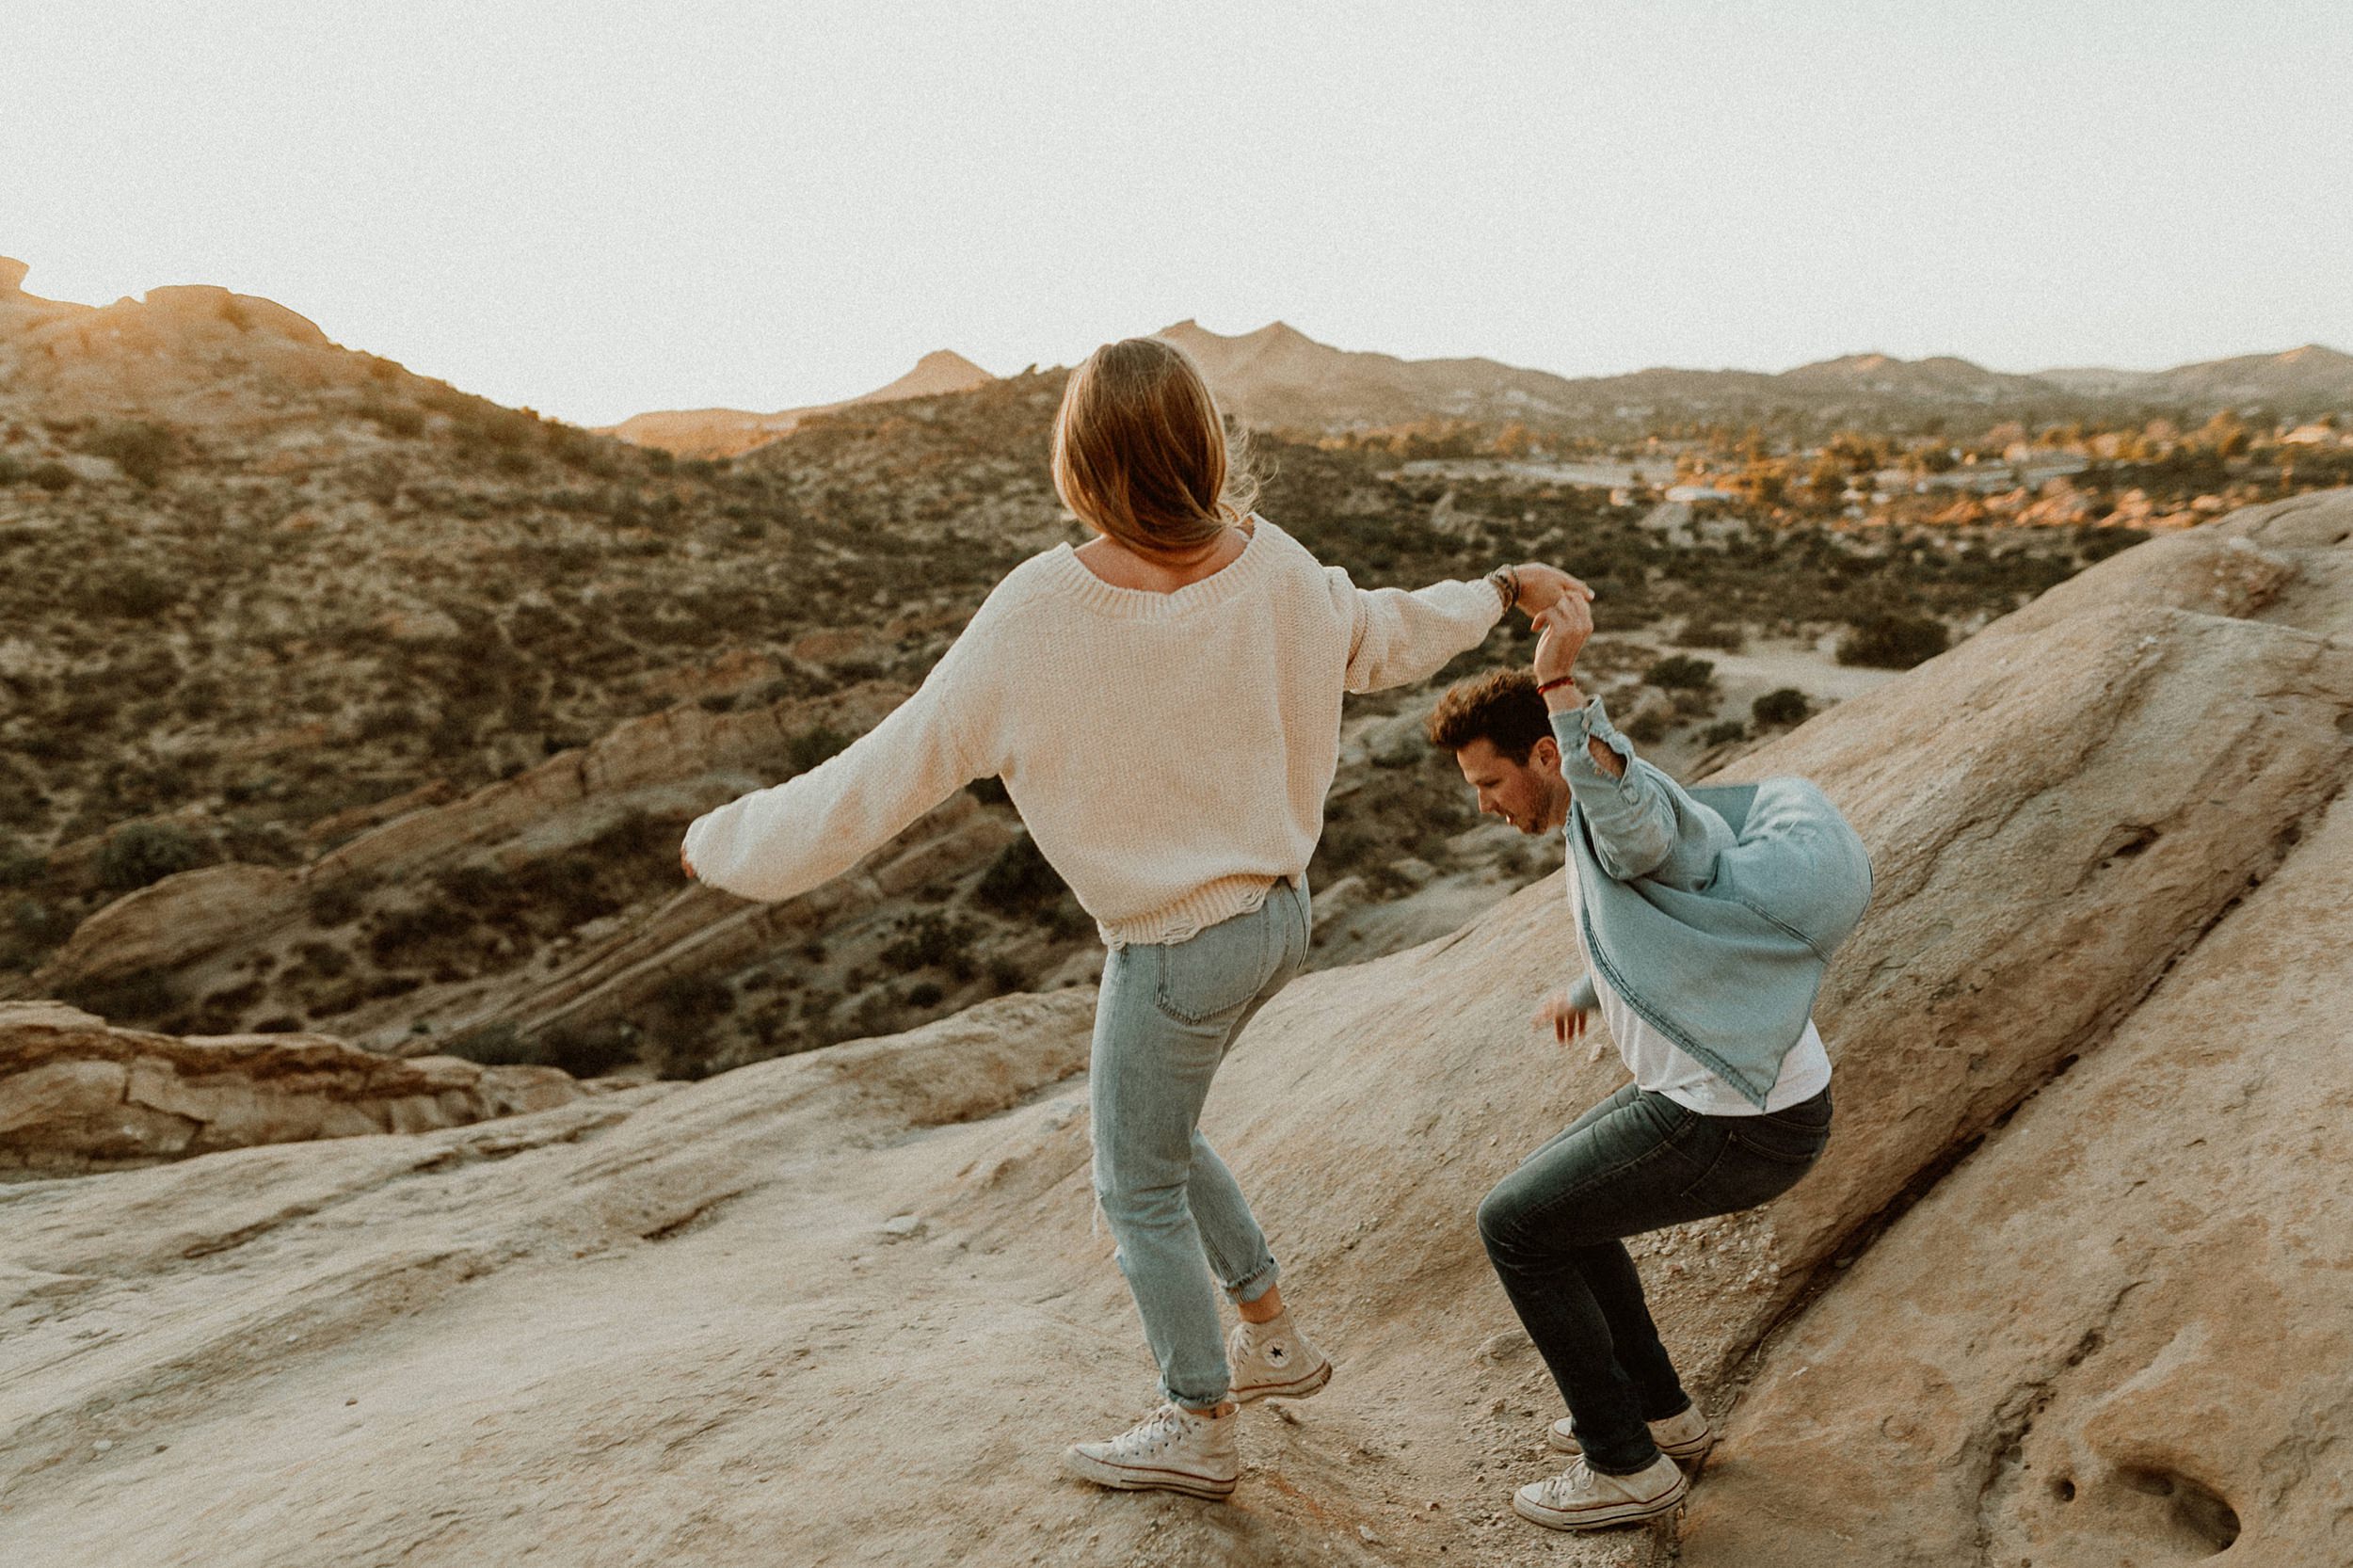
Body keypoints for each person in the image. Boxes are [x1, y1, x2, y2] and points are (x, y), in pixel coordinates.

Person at [680, 335, 1592, 1501]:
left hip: (1172, 946)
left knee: (1132, 1182)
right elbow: (1391, 632)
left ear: (1079, 462)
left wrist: (728, 842)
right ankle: (1271, 1333)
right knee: (1158, 1129)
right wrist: (1503, 588)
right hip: (1276, 920)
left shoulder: (1037, 611)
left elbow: (883, 772)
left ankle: (1197, 1417)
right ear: (1204, 443)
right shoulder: (1276, 567)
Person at [1425, 592, 1871, 1532]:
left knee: (1513, 1225)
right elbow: (1663, 893)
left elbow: (1634, 835)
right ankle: (1660, 1417)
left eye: (1489, 783)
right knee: (1558, 1214)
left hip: (1735, 1118)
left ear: (1546, 753)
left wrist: (1558, 679)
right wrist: (1588, 992)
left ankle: (1622, 1465)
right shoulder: (1636, 786)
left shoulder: (1612, 798)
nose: (1485, 807)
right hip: (1725, 1100)